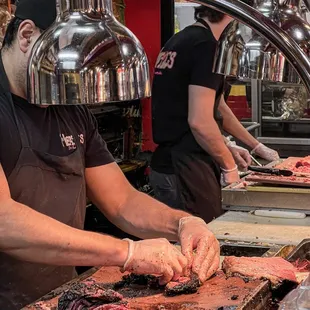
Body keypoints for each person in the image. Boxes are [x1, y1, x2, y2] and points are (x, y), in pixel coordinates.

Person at [0, 0, 220, 308]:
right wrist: (126, 252)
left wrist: (183, 222)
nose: (73, 75)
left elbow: (122, 201)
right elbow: (4, 221)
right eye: (67, 59)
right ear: (26, 37)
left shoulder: (70, 109)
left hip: (57, 297)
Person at [150, 5, 279, 221]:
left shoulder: (183, 39)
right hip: (183, 169)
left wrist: (253, 145)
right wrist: (228, 166)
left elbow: (215, 105)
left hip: (173, 164)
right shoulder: (207, 46)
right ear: (233, 13)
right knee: (200, 244)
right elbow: (200, 121)